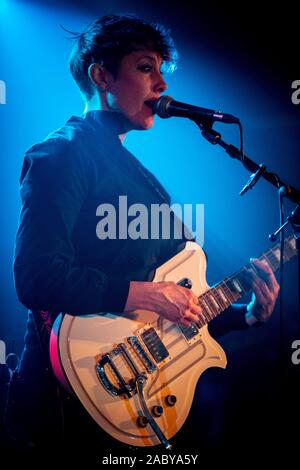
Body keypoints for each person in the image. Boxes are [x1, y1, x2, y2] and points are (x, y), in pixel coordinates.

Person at [6, 13, 279, 462]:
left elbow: (172, 322)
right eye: (145, 67)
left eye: (161, 71)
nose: (161, 86)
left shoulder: (140, 176)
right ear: (101, 76)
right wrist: (146, 294)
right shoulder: (61, 154)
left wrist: (244, 316)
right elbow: (35, 277)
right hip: (68, 402)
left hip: (135, 399)